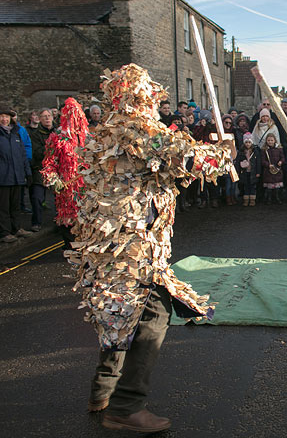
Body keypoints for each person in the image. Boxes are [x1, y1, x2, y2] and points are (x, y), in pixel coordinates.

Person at [70, 64, 235, 433]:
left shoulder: (105, 132)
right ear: (144, 96)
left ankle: (103, 390)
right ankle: (126, 406)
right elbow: (188, 158)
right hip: (131, 248)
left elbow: (161, 170)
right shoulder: (140, 128)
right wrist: (223, 153)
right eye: (152, 96)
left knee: (118, 311)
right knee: (153, 313)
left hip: (107, 247)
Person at [40, 98, 88, 248]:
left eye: (77, 116)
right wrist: (54, 181)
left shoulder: (89, 139)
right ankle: (71, 248)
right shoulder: (57, 139)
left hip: (87, 191)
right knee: (69, 224)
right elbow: (48, 165)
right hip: (67, 192)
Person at [0, 106, 32, 243]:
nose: (4, 119)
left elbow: (23, 155)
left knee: (16, 205)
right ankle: (4, 232)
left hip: (17, 176)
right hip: (3, 177)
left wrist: (28, 173)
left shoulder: (16, 133)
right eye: (1, 116)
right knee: (3, 207)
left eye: (6, 116)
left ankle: (17, 228)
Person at [27, 107, 55, 232]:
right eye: (44, 116)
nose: (47, 118)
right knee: (37, 197)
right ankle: (36, 222)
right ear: (40, 119)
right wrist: (51, 147)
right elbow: (37, 153)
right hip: (40, 169)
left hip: (56, 170)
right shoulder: (35, 135)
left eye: (49, 116)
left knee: (59, 197)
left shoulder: (58, 132)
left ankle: (61, 220)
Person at [236, 132, 261, 206]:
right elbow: (238, 162)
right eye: (246, 142)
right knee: (246, 186)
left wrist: (258, 172)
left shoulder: (255, 151)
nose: (248, 144)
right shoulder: (241, 152)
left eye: (249, 142)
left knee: (252, 186)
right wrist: (237, 171)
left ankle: (252, 199)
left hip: (253, 171)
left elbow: (258, 162)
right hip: (244, 171)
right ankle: (246, 199)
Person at [261, 133, 284, 204]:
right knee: (269, 186)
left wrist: (281, 161)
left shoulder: (279, 149)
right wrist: (268, 165)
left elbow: (283, 157)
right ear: (266, 141)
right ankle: (269, 198)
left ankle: (277, 198)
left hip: (277, 169)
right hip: (268, 170)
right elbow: (262, 160)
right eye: (268, 140)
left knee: (277, 185)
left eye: (271, 140)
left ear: (274, 140)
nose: (270, 142)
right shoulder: (264, 150)